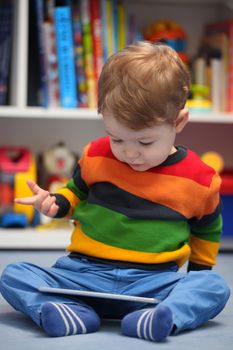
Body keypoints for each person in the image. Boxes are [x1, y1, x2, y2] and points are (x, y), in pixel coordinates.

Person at [0, 42, 230, 342]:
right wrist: (53, 204)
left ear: (179, 122)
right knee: (13, 274)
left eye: (145, 142)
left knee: (212, 287)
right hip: (82, 275)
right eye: (116, 139)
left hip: (153, 283)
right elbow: (75, 194)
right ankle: (70, 311)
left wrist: (195, 277)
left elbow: (208, 230)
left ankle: (160, 317)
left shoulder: (200, 179)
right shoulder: (95, 155)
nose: (129, 153)